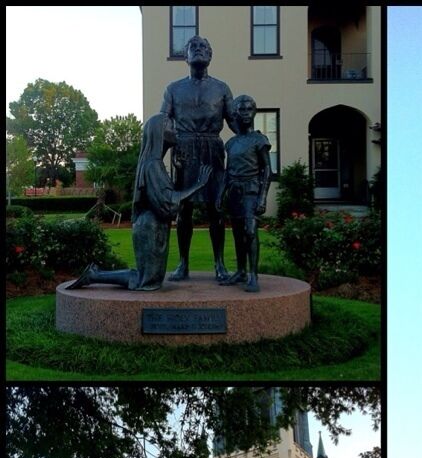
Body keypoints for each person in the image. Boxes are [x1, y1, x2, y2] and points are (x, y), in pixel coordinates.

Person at [67, 115, 210, 291]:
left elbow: (169, 194)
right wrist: (198, 185)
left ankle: (94, 275)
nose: (176, 130)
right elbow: (169, 202)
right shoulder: (152, 165)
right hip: (150, 228)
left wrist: (179, 172)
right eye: (171, 127)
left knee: (149, 280)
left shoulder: (153, 163)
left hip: (154, 227)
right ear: (159, 133)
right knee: (147, 281)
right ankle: (93, 276)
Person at [160, 35, 235, 282]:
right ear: (186, 56)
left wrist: (250, 135)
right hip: (184, 149)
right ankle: (182, 263)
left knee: (216, 208)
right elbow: (164, 121)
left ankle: (219, 264)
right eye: (194, 47)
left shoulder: (222, 88)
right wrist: (159, 153)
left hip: (212, 148)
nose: (199, 50)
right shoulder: (173, 89)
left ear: (211, 56)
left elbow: (234, 121)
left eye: (204, 47)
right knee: (185, 208)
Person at [220, 94, 272, 292]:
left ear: (254, 112)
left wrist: (262, 197)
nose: (245, 114)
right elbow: (227, 171)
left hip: (251, 191)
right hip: (234, 192)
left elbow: (267, 170)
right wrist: (220, 194)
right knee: (237, 233)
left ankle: (253, 275)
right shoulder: (231, 143)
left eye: (249, 109)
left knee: (250, 232)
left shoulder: (259, 140)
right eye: (241, 110)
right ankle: (241, 271)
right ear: (235, 113)